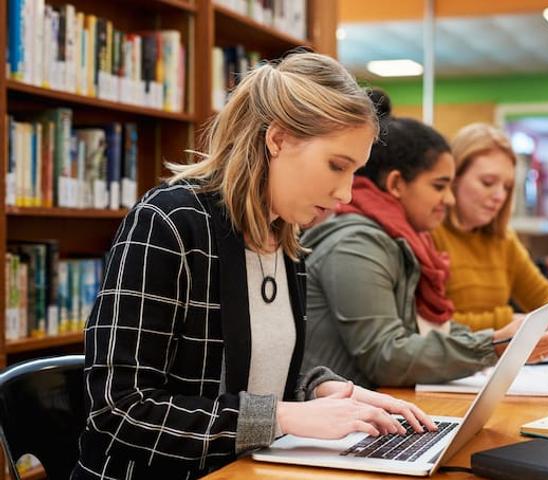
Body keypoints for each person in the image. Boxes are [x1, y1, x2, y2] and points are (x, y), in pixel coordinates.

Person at [72, 53, 435, 480]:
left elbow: (250, 376)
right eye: (337, 166)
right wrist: (284, 417)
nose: (346, 194)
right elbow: (120, 411)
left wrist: (324, 390)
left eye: (354, 172)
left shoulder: (286, 237)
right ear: (277, 139)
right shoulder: (170, 222)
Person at [301, 116, 548, 389]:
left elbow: (425, 330)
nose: (448, 199)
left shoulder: (401, 240)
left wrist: (496, 341)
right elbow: (386, 357)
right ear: (396, 184)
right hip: (340, 420)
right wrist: (494, 345)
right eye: (439, 186)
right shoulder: (358, 244)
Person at [431, 123, 548, 355]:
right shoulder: (430, 234)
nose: (499, 196)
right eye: (487, 183)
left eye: (507, 187)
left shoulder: (503, 239)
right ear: (453, 178)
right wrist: (515, 323)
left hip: (494, 366)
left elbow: (541, 294)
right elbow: (433, 324)